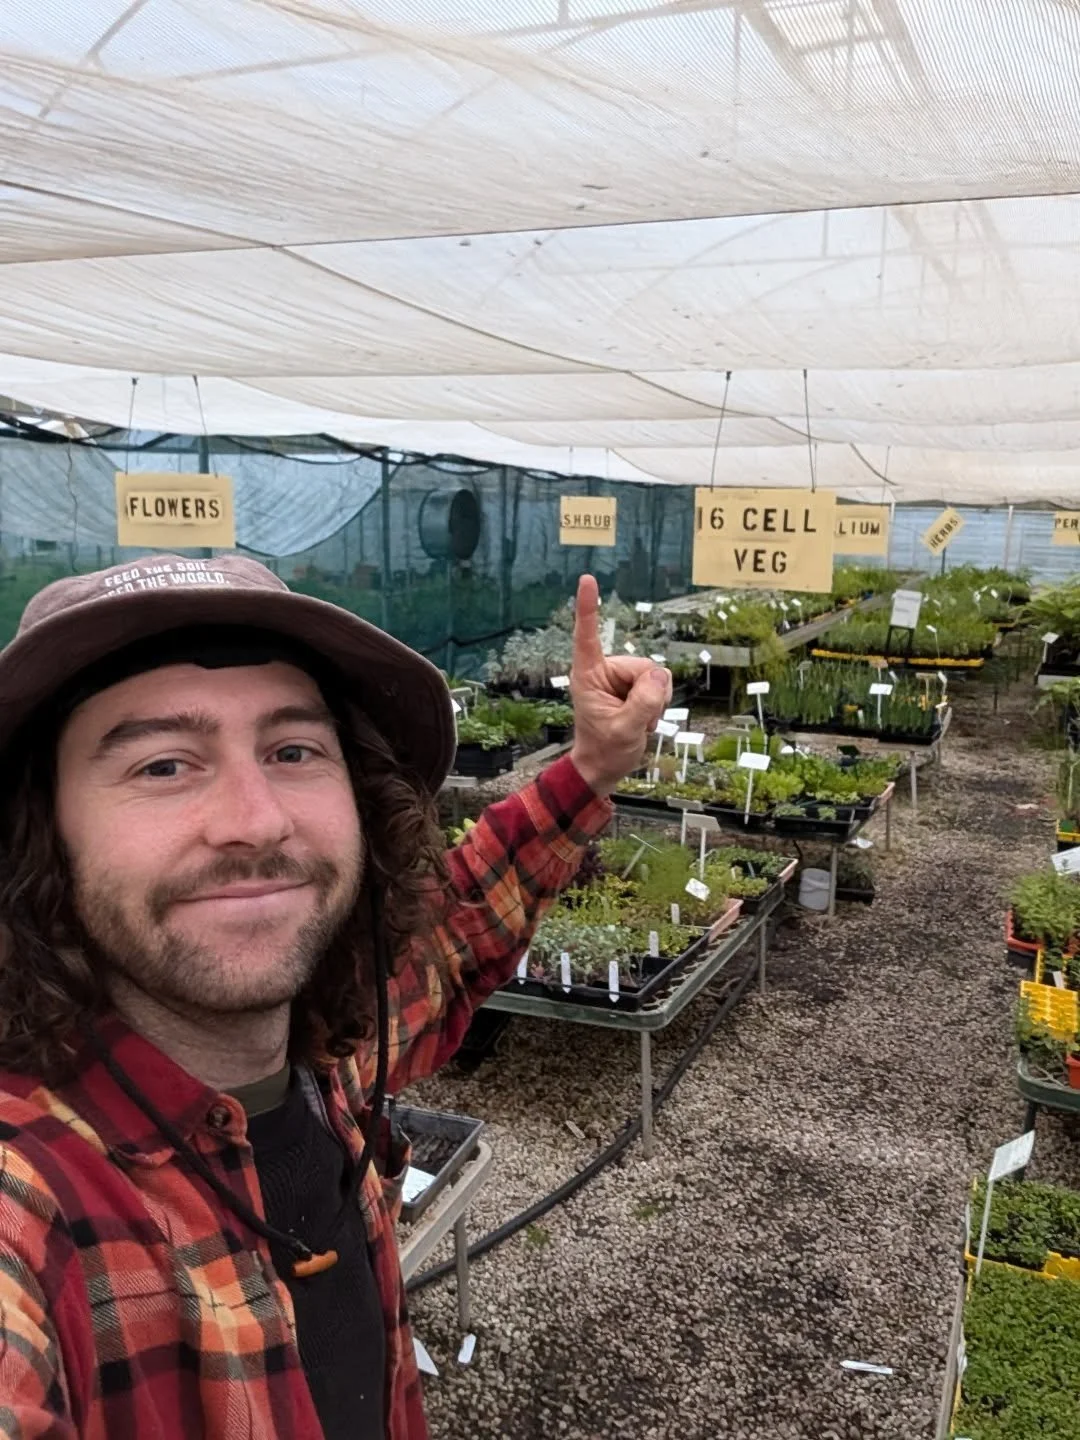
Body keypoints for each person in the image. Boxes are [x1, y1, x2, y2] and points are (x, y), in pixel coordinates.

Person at [0, 553, 672, 1440]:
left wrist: (592, 764)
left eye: (293, 751)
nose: (257, 820)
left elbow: (458, 933)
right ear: (39, 832)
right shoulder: (33, 1204)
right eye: (163, 765)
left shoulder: (331, 1050)